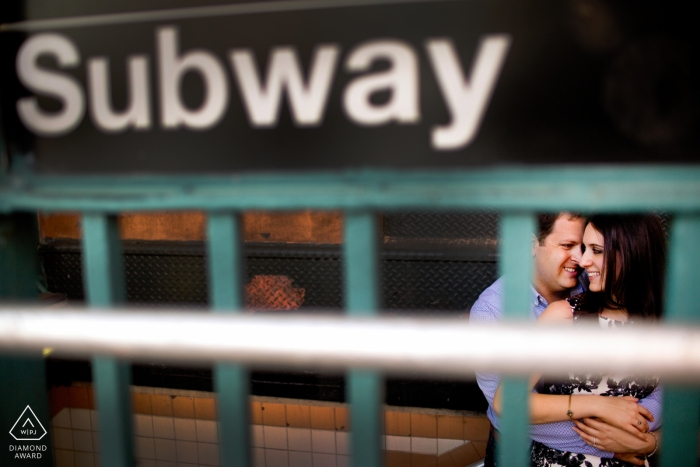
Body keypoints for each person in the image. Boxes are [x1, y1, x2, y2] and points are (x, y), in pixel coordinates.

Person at [469, 213, 661, 466]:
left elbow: (669, 396)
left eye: (588, 248)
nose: (582, 259)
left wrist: (648, 441)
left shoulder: (595, 284)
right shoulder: (492, 312)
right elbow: (507, 408)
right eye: (568, 246)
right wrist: (609, 442)